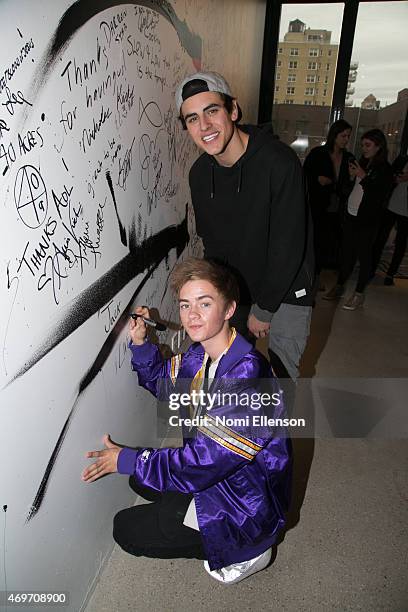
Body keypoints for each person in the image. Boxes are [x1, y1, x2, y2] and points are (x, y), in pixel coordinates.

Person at [82, 257, 292, 584]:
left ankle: (243, 550)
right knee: (141, 479)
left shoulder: (246, 380)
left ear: (228, 309)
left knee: (125, 529)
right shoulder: (202, 353)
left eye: (204, 303)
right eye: (184, 305)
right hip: (217, 477)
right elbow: (164, 384)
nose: (191, 315)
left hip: (240, 506)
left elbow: (200, 464)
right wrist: (141, 343)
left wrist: (126, 459)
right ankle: (195, 519)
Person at [175, 71, 315, 382]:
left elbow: (288, 245)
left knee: (280, 382)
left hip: (289, 287)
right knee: (227, 374)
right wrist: (214, 300)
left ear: (233, 110)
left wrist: (263, 310)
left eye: (212, 111)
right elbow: (212, 244)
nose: (205, 126)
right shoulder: (199, 175)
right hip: (237, 287)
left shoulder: (279, 162)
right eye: (193, 119)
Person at [324, 129, 393, 310]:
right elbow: (348, 189)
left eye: (368, 145)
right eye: (362, 144)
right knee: (346, 255)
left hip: (367, 221)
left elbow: (378, 195)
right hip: (351, 215)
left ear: (379, 147)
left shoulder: (384, 169)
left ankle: (359, 294)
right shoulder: (362, 162)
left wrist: (363, 177)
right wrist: (352, 178)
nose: (363, 148)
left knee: (364, 258)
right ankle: (339, 287)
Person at [303, 120, 353, 277]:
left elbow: (348, 184)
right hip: (318, 205)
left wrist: (350, 179)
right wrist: (317, 180)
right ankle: (313, 275)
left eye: (348, 136)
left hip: (339, 207)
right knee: (315, 241)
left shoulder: (349, 157)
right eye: (343, 135)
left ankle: (325, 276)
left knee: (332, 242)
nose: (346, 139)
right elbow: (304, 176)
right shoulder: (318, 153)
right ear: (334, 135)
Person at [371, 153, 408, 285]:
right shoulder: (403, 157)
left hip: (405, 209)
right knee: (381, 238)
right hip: (392, 203)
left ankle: (390, 274)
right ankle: (371, 269)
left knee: (401, 243)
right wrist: (395, 178)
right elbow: (389, 174)